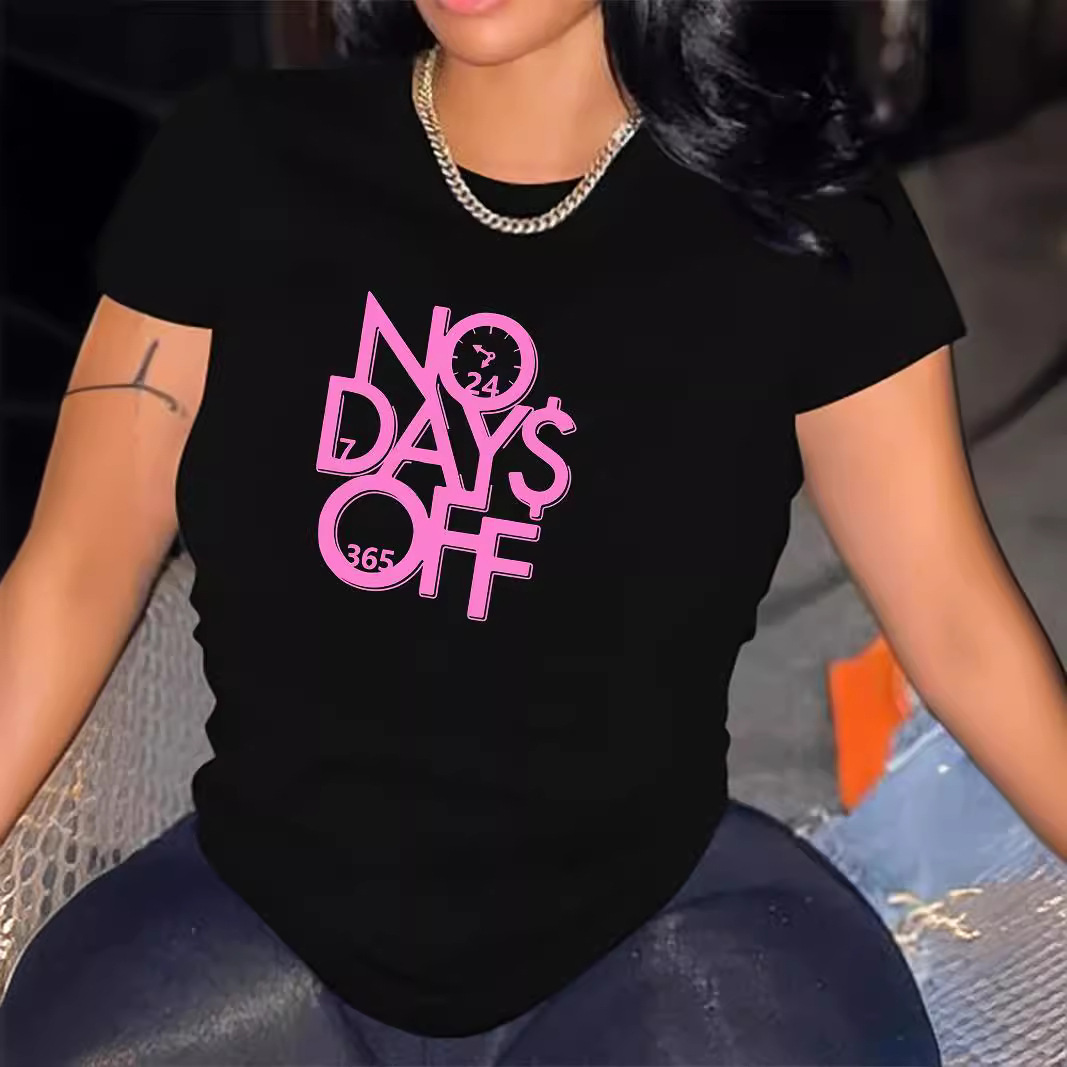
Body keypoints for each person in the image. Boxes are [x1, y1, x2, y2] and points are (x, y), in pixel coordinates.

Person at [1, 1, 1065, 1063]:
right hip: (251, 918)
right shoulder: (240, 160)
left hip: (653, 937)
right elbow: (74, 571)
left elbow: (954, 621)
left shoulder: (808, 225)